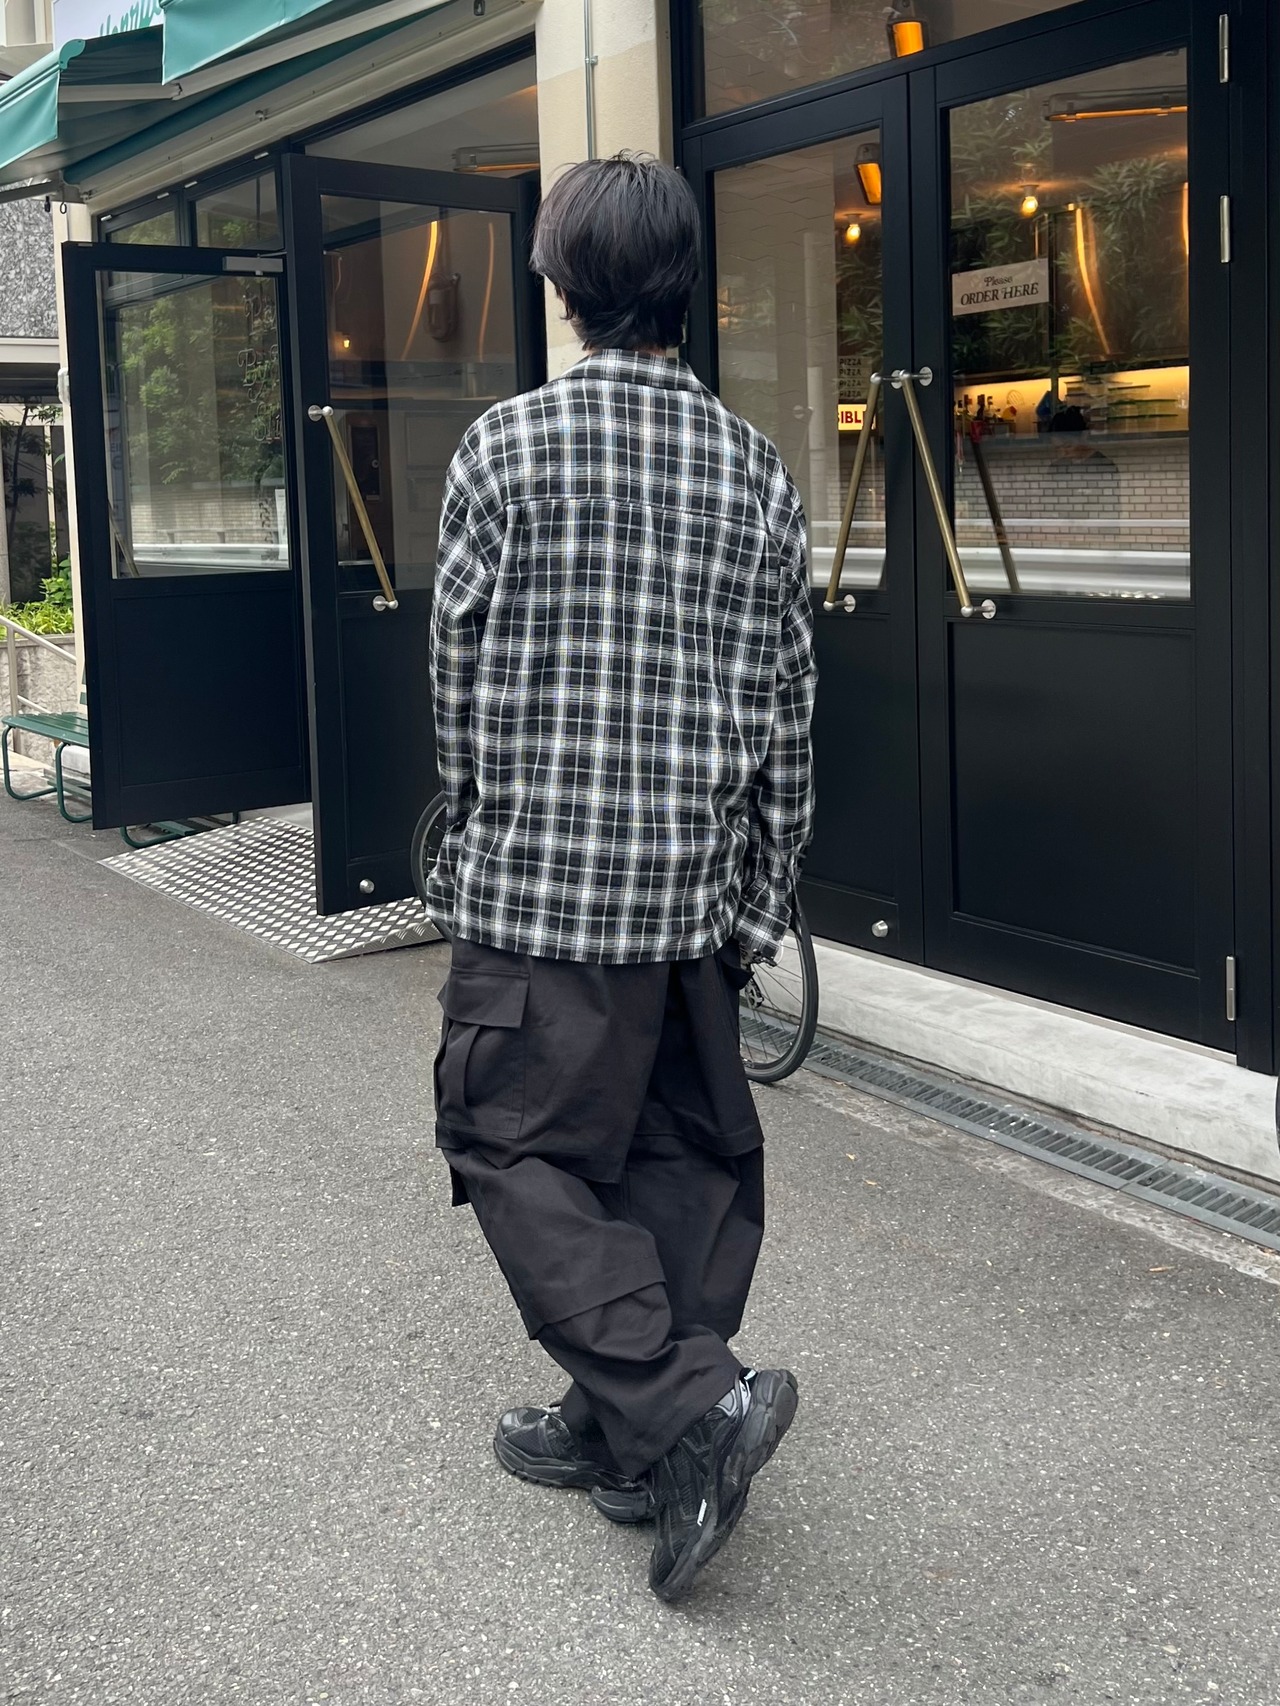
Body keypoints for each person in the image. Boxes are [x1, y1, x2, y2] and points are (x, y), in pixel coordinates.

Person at [425, 152, 816, 1602]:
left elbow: (459, 686)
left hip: (539, 894)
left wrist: (471, 833)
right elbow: (787, 708)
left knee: (512, 1146)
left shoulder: (504, 450)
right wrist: (761, 895)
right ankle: (626, 1432)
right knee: (671, 1161)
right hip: (691, 899)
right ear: (685, 288)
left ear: (562, 287)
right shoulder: (755, 469)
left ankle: (685, 1408)